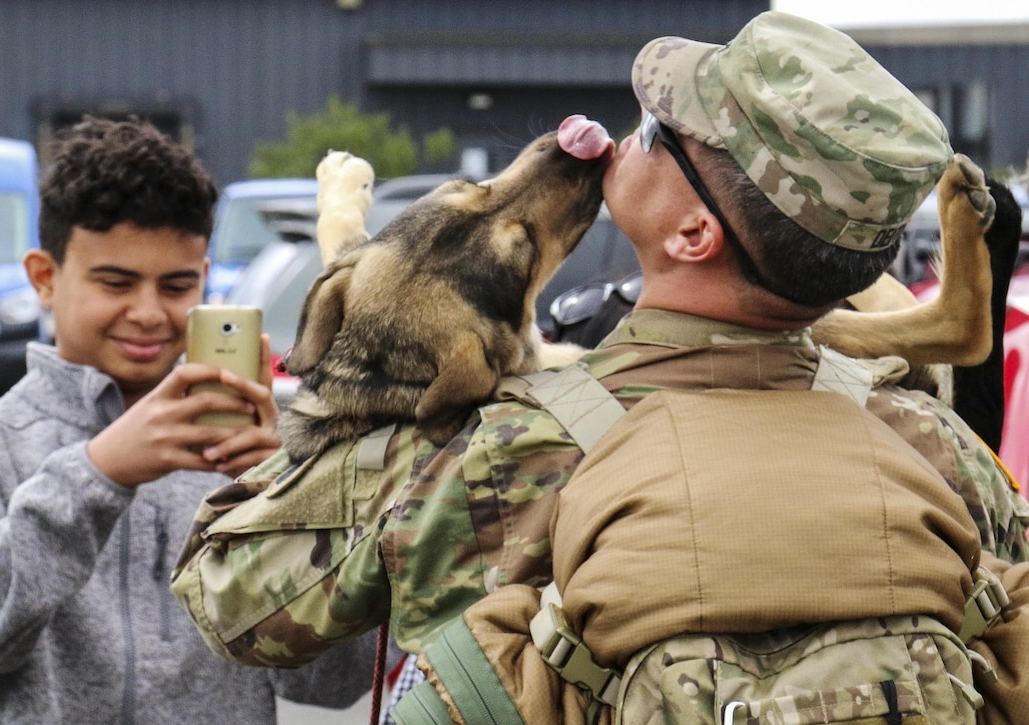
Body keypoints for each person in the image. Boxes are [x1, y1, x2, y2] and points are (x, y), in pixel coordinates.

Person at [172, 11, 1029, 722]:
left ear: (693, 235)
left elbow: (231, 601)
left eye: (658, 131)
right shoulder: (929, 443)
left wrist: (344, 406)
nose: (629, 130)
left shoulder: (493, 449)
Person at [0, 117, 374, 724]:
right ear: (44, 277)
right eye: (115, 282)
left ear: (204, 277)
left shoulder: (267, 451)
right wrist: (99, 473)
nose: (147, 312)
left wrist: (292, 506)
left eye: (175, 285)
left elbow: (335, 684)